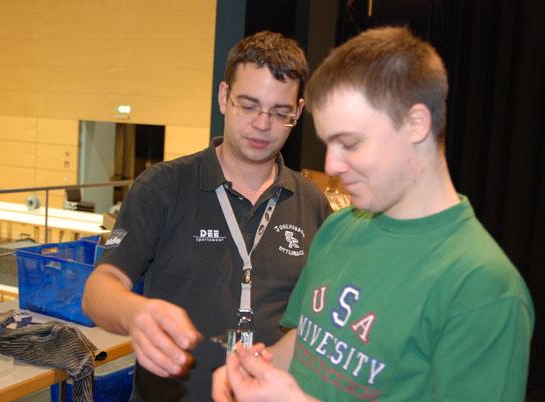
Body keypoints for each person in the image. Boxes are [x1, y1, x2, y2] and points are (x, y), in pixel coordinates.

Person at [212, 26, 535, 402]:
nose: (331, 165)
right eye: (328, 144)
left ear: (416, 124)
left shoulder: (484, 288)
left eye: (349, 143)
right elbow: (307, 341)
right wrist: (252, 373)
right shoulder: (340, 228)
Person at [82, 30, 332, 401]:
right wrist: (135, 313)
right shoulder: (163, 186)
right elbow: (99, 289)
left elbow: (320, 315)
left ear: (297, 111)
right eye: (248, 106)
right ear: (223, 97)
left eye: (280, 113)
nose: (262, 124)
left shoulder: (312, 203)